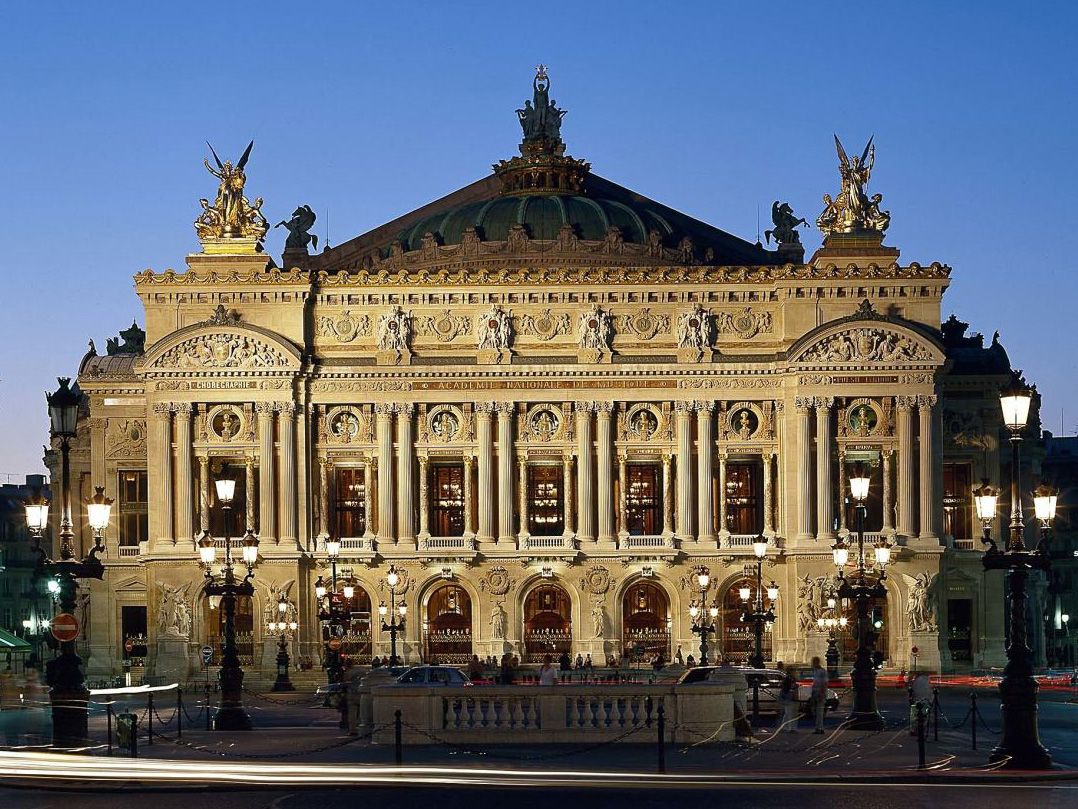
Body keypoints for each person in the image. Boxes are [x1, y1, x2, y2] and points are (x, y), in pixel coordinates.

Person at [777, 662, 799, 733]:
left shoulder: (788, 678)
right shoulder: (790, 679)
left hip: (787, 697)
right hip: (789, 697)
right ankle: (791, 728)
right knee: (790, 713)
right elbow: (790, 689)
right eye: (794, 670)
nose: (795, 672)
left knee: (787, 713)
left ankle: (784, 727)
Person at [810, 656, 828, 734]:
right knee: (816, 712)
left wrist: (821, 693)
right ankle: (818, 727)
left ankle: (820, 728)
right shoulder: (815, 671)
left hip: (820, 693)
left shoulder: (822, 671)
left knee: (820, 712)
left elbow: (824, 683)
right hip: (816, 693)